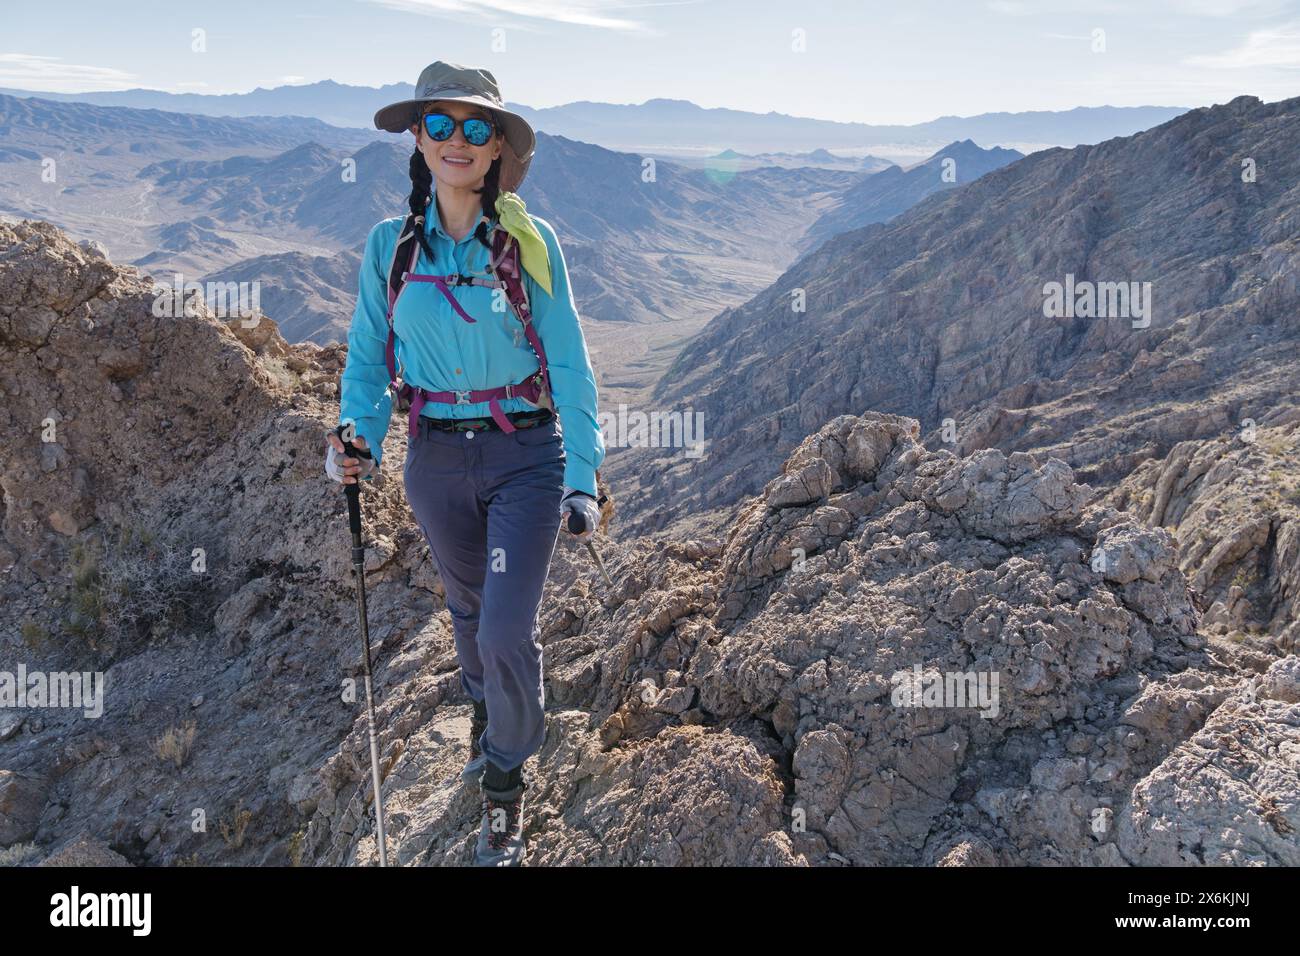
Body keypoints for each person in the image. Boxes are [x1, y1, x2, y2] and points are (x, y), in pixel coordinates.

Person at [324, 61, 605, 866]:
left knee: (508, 628)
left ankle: (506, 787)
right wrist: (355, 437)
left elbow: (572, 360)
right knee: (470, 613)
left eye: (474, 127)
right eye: (440, 124)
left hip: (525, 456)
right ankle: (490, 715)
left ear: (495, 149)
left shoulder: (528, 241)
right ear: (418, 137)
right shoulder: (390, 247)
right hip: (436, 458)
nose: (456, 140)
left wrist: (583, 475)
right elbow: (368, 367)